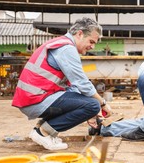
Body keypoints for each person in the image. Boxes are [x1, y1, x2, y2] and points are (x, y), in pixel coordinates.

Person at [12, 17, 112, 150]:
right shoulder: (66, 49)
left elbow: (74, 86)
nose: (92, 46)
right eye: (91, 41)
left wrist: (91, 112)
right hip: (36, 100)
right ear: (80, 34)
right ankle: (44, 132)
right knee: (93, 104)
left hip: (35, 98)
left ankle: (40, 130)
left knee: (89, 104)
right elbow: (82, 83)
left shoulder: (61, 44)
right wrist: (102, 104)